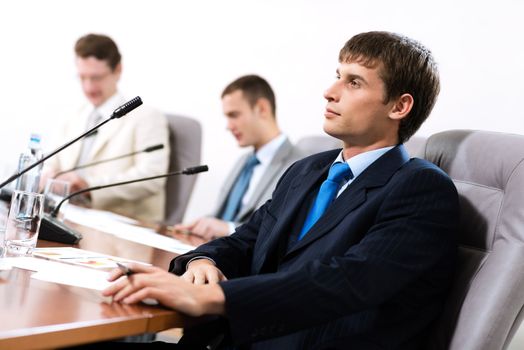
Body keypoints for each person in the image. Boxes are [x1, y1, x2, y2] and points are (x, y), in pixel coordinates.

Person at [104, 31, 459, 350]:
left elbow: (344, 281)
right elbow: (245, 241)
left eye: (354, 83)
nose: (329, 91)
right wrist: (202, 261)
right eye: (338, 76)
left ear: (399, 106)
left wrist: (215, 297)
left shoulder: (421, 189)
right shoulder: (309, 169)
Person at [42, 33, 169, 221]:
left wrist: (88, 185)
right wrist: (50, 175)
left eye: (96, 78)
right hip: (65, 215)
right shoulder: (73, 115)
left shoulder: (147, 117)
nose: (88, 87)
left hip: (118, 223)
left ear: (118, 70)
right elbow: (52, 162)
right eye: (82, 77)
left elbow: (152, 177)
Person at [173, 75, 305, 241]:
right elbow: (221, 217)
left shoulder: (299, 166)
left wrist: (228, 229)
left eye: (234, 115)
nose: (228, 126)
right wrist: (200, 224)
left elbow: (278, 228)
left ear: (262, 108)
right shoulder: (244, 161)